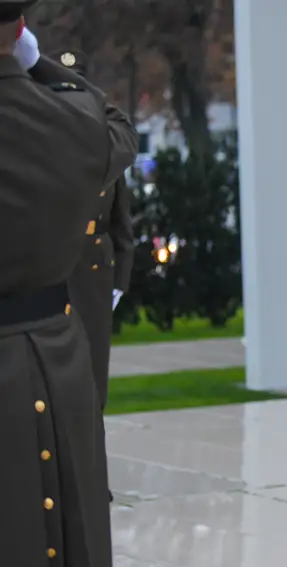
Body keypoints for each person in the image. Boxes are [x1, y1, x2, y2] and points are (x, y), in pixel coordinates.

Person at [0, 7, 138, 567]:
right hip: (55, 358)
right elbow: (118, 124)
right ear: (20, 29)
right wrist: (42, 66)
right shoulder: (77, 120)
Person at [52, 48, 136, 411]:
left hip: (94, 267)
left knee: (93, 367)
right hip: (52, 262)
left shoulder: (106, 144)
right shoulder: (41, 139)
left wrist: (121, 275)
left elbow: (120, 218)